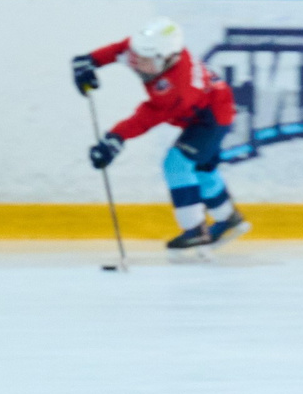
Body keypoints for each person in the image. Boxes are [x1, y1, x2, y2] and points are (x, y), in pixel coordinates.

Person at [71, 18, 247, 251]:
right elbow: (121, 50)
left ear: (170, 59)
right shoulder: (148, 50)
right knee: (203, 169)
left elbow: (148, 117)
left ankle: (194, 229)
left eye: (147, 61)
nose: (138, 64)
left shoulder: (177, 88)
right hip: (211, 105)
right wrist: (91, 61)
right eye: (138, 56)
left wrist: (115, 138)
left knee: (177, 163)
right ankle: (228, 219)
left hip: (212, 117)